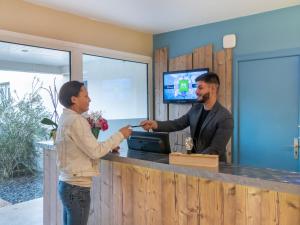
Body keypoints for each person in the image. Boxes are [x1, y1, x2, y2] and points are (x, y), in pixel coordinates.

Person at [55, 81, 132, 225]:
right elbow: (95, 152)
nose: (89, 99)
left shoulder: (65, 118)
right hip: (76, 188)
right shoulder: (77, 121)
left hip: (66, 184)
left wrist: (109, 146)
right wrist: (120, 135)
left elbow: (83, 147)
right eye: (86, 95)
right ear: (74, 99)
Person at [140, 72, 233, 162]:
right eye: (196, 88)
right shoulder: (195, 109)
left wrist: (192, 159)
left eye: (200, 88)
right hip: (193, 162)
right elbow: (177, 124)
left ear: (213, 89)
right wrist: (154, 124)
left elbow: (215, 149)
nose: (196, 92)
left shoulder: (225, 117)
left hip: (214, 166)